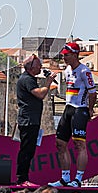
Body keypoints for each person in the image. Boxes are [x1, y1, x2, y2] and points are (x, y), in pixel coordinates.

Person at [49, 43, 97, 187]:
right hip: (68, 108)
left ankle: (78, 179)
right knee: (60, 143)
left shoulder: (84, 71)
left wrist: (89, 109)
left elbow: (93, 93)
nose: (64, 57)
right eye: (63, 55)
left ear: (75, 55)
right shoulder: (67, 70)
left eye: (67, 55)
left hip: (80, 109)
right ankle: (65, 178)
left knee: (79, 144)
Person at [16, 54, 57, 186]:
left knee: (29, 150)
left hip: (32, 120)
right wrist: (48, 83)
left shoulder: (30, 78)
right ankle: (22, 179)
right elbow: (39, 94)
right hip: (28, 120)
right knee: (26, 150)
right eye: (38, 65)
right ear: (31, 67)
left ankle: (23, 177)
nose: (40, 67)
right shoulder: (27, 79)